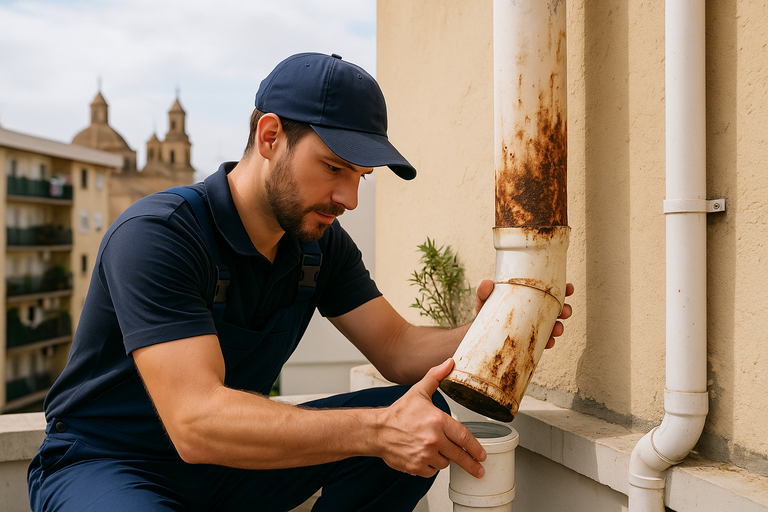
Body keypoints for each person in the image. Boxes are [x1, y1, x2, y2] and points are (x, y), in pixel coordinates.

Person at [28, 52, 573, 512]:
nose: (349, 199)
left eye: (360, 177)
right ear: (270, 136)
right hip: (107, 464)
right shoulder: (158, 235)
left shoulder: (318, 244)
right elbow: (195, 421)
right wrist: (376, 429)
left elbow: (399, 348)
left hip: (227, 466)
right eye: (334, 167)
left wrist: (491, 329)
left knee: (424, 417)